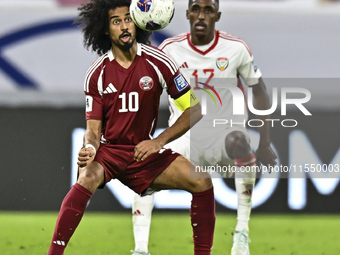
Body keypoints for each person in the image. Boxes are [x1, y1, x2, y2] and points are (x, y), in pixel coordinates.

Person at [47, 0, 216, 255]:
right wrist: (90, 148)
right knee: (87, 176)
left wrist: (158, 142)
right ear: (105, 29)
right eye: (116, 21)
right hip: (110, 153)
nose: (124, 26)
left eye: (128, 19)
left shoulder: (159, 62)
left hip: (144, 153)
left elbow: (195, 109)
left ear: (138, 22)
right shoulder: (97, 74)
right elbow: (93, 130)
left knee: (201, 180)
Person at [130, 0, 277, 255]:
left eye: (208, 10)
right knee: (145, 166)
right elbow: (148, 92)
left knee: (240, 142)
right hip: (185, 137)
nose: (201, 15)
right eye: (196, 9)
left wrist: (264, 142)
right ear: (187, 13)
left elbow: (260, 92)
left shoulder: (236, 49)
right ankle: (141, 249)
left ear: (217, 15)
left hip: (224, 137)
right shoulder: (169, 49)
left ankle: (241, 234)